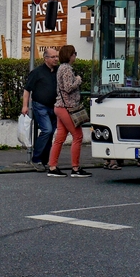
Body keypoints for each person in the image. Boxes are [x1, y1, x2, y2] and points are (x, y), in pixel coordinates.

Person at [47, 45, 91, 178]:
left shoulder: (61, 68)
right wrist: (78, 80)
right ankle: (75, 168)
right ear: (69, 55)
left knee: (59, 138)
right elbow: (68, 87)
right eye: (74, 53)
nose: (75, 56)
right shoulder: (66, 69)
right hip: (67, 107)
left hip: (60, 106)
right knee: (77, 136)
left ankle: (52, 166)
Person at [22, 47, 59, 172]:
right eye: (53, 57)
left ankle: (44, 160)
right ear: (46, 58)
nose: (56, 59)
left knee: (50, 133)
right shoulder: (37, 72)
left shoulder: (58, 71)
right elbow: (27, 90)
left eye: (57, 56)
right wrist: (25, 106)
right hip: (40, 105)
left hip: (54, 107)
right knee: (47, 130)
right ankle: (36, 159)